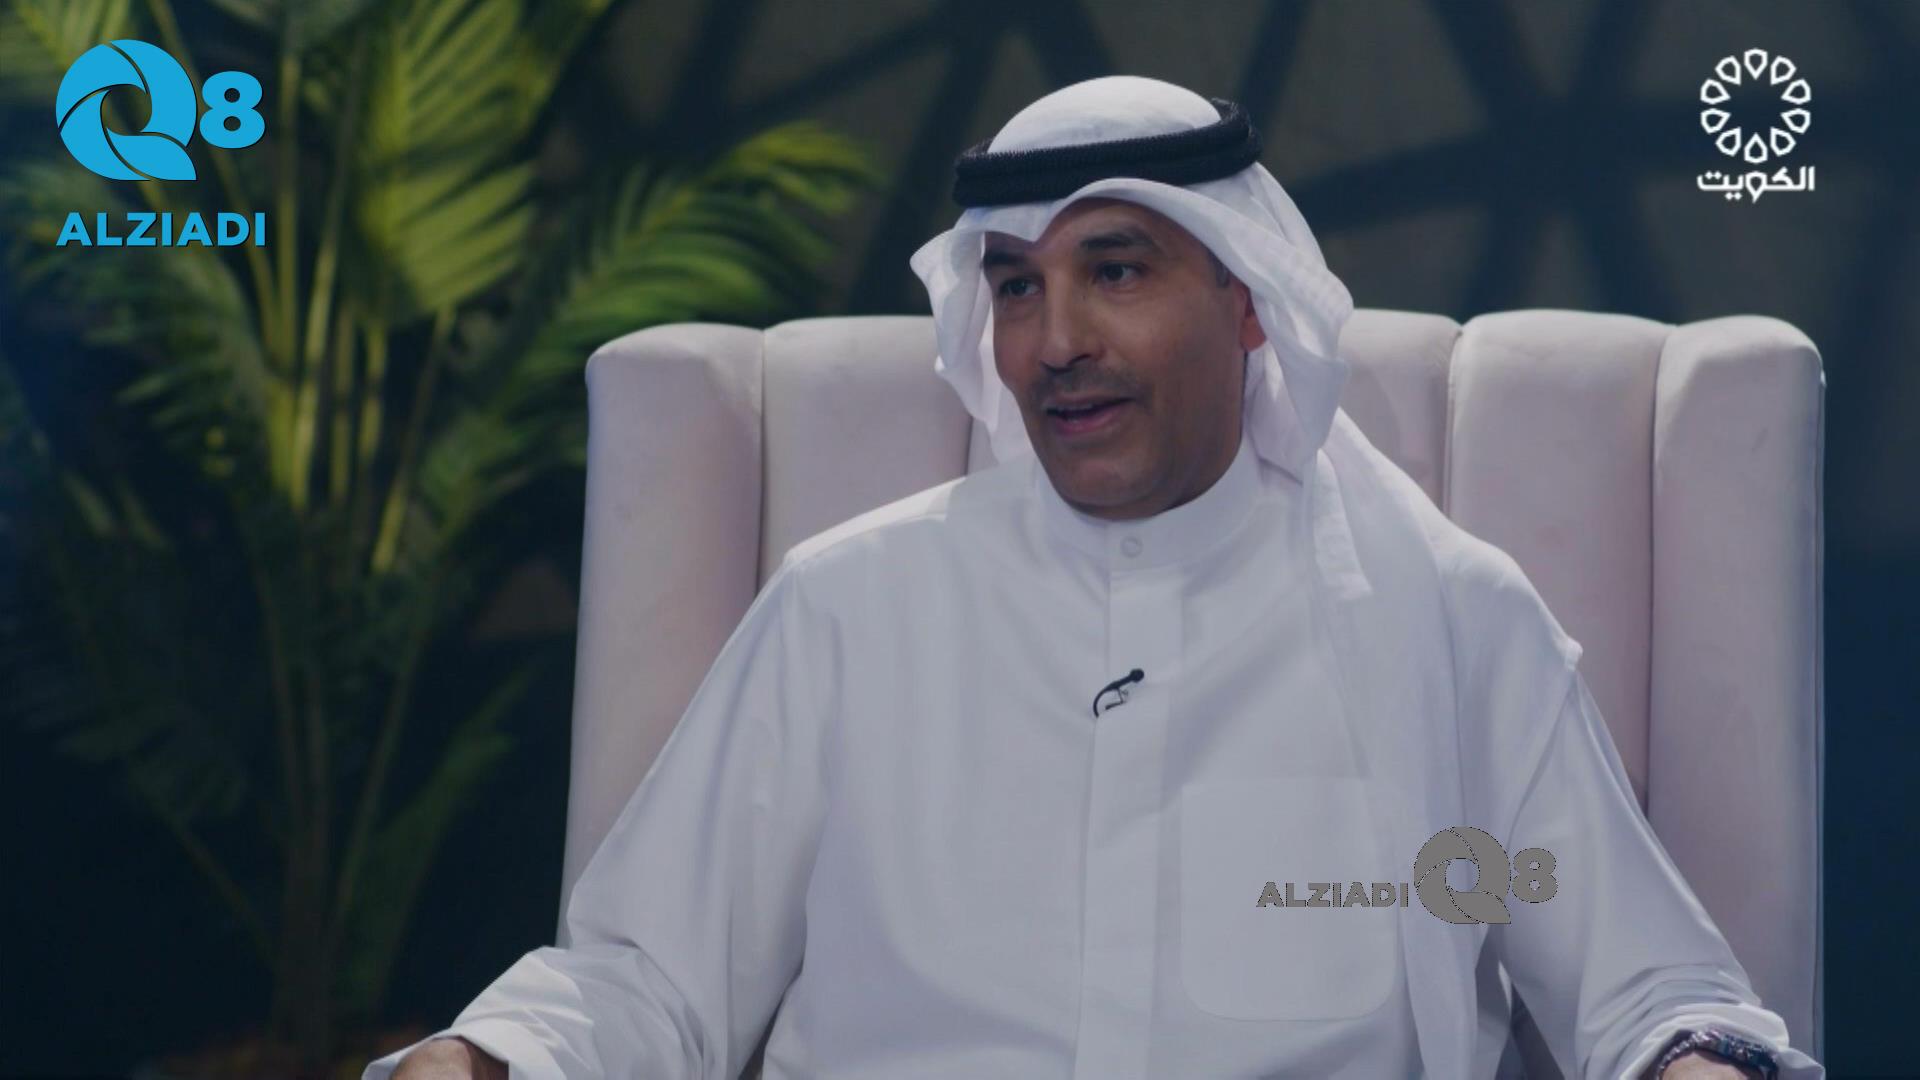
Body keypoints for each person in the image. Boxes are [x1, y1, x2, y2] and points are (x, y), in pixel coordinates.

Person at [367, 76, 1823, 1080]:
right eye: (1016, 286)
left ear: (1248, 304)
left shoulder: (1444, 619)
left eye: (1115, 271)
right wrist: (482, 1060)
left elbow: (1654, 995)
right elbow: (645, 983)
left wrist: (1695, 1063)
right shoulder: (849, 610)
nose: (1056, 339)